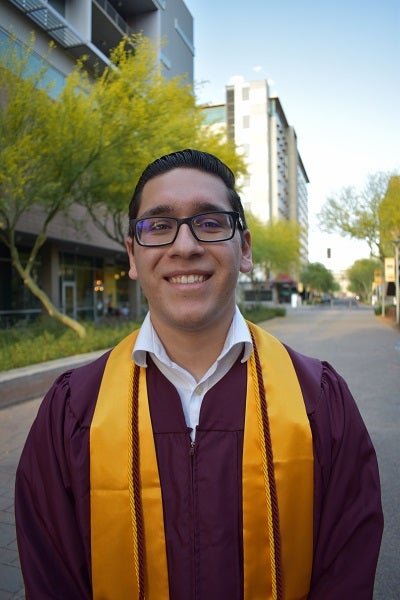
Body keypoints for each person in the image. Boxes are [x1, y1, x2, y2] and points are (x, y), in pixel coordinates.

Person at [15, 149, 383, 600]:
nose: (184, 246)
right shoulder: (74, 409)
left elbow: (346, 573)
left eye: (209, 223)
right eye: (159, 226)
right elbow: (52, 580)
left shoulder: (318, 400)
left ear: (243, 249)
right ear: (133, 255)